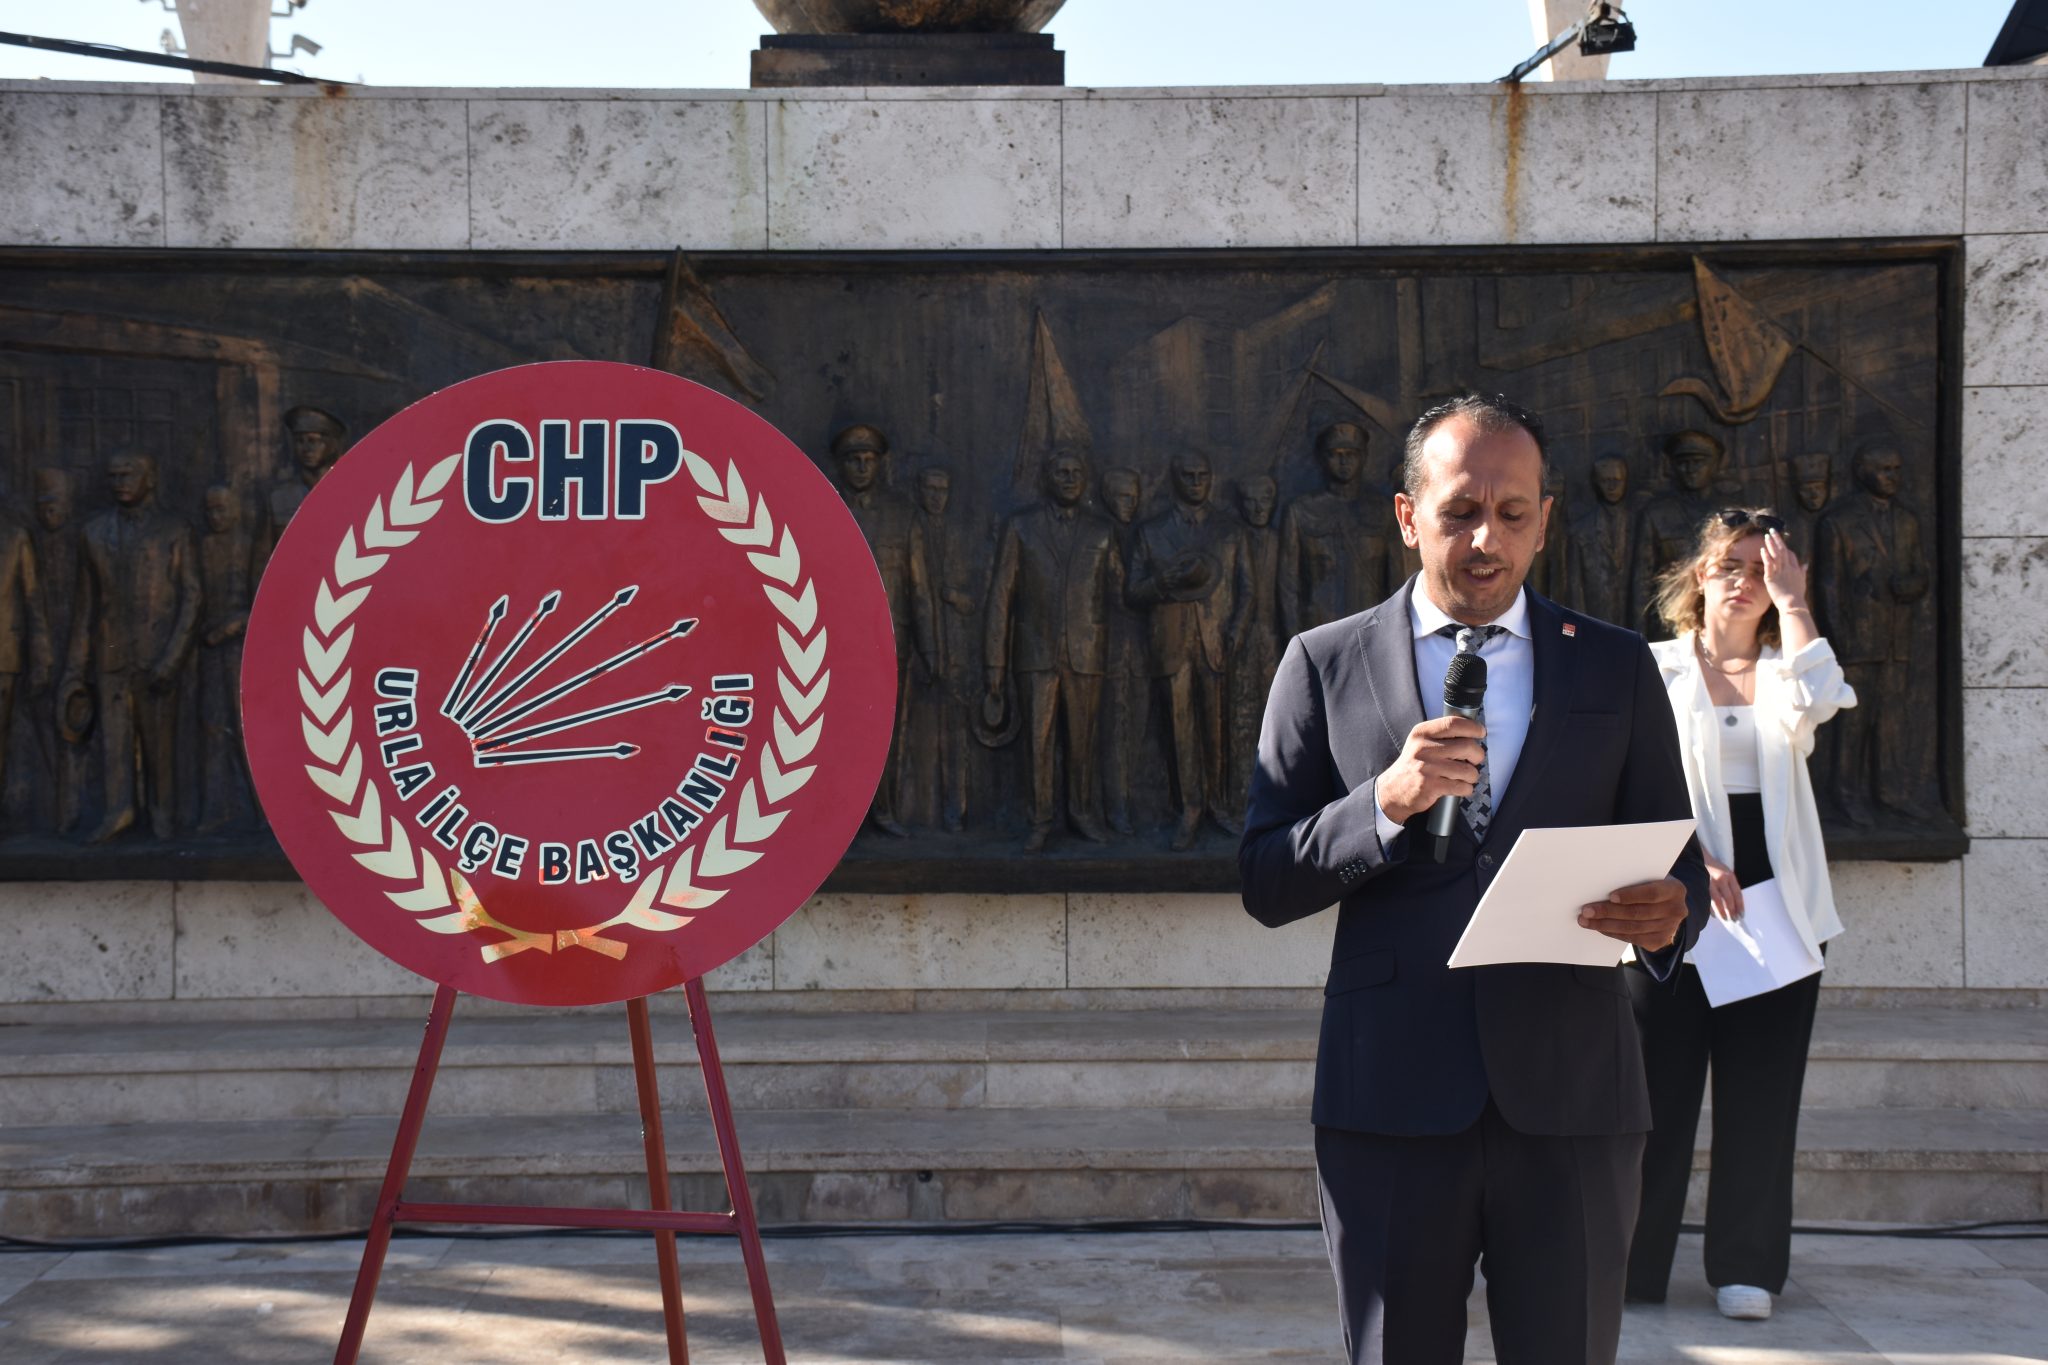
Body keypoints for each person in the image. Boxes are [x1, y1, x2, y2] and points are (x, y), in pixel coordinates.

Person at [1240, 393, 1709, 1365]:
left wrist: (1673, 914)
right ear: (1408, 515)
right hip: (1390, 1097)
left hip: (1573, 1097)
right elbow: (1264, 876)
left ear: (1543, 520)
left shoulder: (1615, 667)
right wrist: (1384, 802)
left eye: (1511, 512)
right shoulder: (1323, 663)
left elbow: (1674, 865)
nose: (1485, 538)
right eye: (1459, 511)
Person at [1627, 507, 1856, 1322]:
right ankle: (1634, 1265)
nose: (1744, 580)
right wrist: (1694, 858)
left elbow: (1822, 700)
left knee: (1762, 1091)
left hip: (1778, 906)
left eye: (1763, 568)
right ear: (1701, 573)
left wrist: (1795, 605)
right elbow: (1633, 777)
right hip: (1676, 893)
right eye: (1731, 564)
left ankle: (1746, 1267)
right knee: (1655, 1091)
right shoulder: (1655, 668)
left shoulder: (1789, 667)